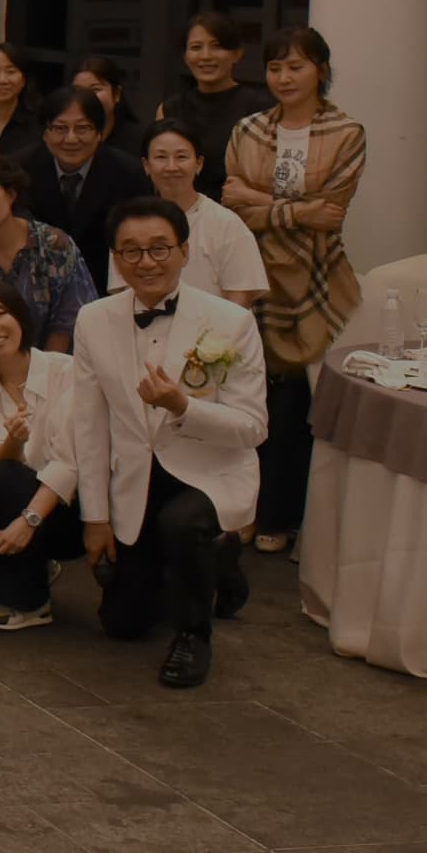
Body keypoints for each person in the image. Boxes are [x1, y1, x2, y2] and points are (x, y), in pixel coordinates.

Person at [71, 198, 268, 688]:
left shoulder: (230, 322)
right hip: (138, 478)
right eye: (132, 251)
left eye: (160, 249)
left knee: (182, 524)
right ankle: (213, 566)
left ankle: (193, 635)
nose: (147, 262)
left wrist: (183, 406)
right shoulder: (94, 319)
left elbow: (252, 427)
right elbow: (89, 427)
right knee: (122, 624)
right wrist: (95, 518)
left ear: (184, 252)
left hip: (209, 473)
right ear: (116, 258)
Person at [222, 27, 360, 555]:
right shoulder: (250, 129)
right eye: (276, 68)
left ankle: (281, 514)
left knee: (295, 405)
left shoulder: (347, 132)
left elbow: (333, 215)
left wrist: (263, 203)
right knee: (248, 396)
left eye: (296, 67)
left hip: (313, 280)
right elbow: (233, 203)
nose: (284, 77)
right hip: (250, 276)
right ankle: (242, 510)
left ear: (320, 70)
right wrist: (300, 210)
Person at [0, 283, 83, 631]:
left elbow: (73, 462)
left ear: (20, 317)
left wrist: (29, 521)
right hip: (5, 497)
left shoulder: (67, 372)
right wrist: (13, 441)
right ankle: (34, 568)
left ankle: (30, 602)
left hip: (67, 510)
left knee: (7, 475)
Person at [0, 150, 96, 352]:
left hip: (58, 365)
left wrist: (43, 374)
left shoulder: (53, 243)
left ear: (10, 194)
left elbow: (68, 321)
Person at [19, 87, 151, 284]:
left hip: (108, 288)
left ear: (99, 133)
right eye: (60, 128)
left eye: (82, 128)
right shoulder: (19, 170)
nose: (71, 139)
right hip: (36, 285)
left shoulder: (128, 173)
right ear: (45, 133)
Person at [127, 120, 265, 305]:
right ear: (146, 165)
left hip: (214, 331)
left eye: (181, 157)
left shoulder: (227, 224)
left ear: (198, 164)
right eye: (161, 157)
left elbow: (239, 300)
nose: (171, 167)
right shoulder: (130, 225)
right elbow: (123, 294)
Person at [155, 12, 270, 198]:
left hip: (241, 215)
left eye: (216, 46)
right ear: (185, 56)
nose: (205, 56)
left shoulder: (260, 107)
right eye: (196, 47)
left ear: (237, 54)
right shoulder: (170, 109)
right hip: (182, 215)